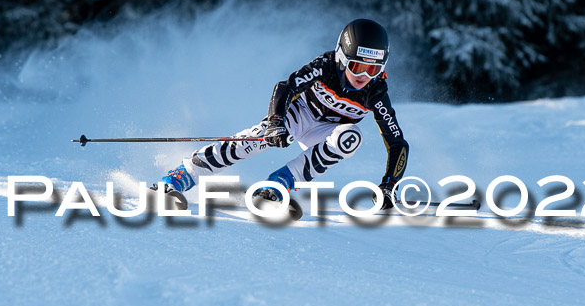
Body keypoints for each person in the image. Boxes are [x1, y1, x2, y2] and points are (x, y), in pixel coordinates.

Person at [158, 18, 409, 210]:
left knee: (351, 137)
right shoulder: (326, 66)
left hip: (327, 134)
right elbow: (286, 86)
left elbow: (398, 143)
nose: (363, 76)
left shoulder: (375, 92)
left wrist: (389, 185)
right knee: (256, 141)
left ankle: (280, 184)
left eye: (373, 69)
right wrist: (275, 123)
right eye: (357, 66)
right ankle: (184, 174)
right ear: (343, 57)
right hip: (300, 115)